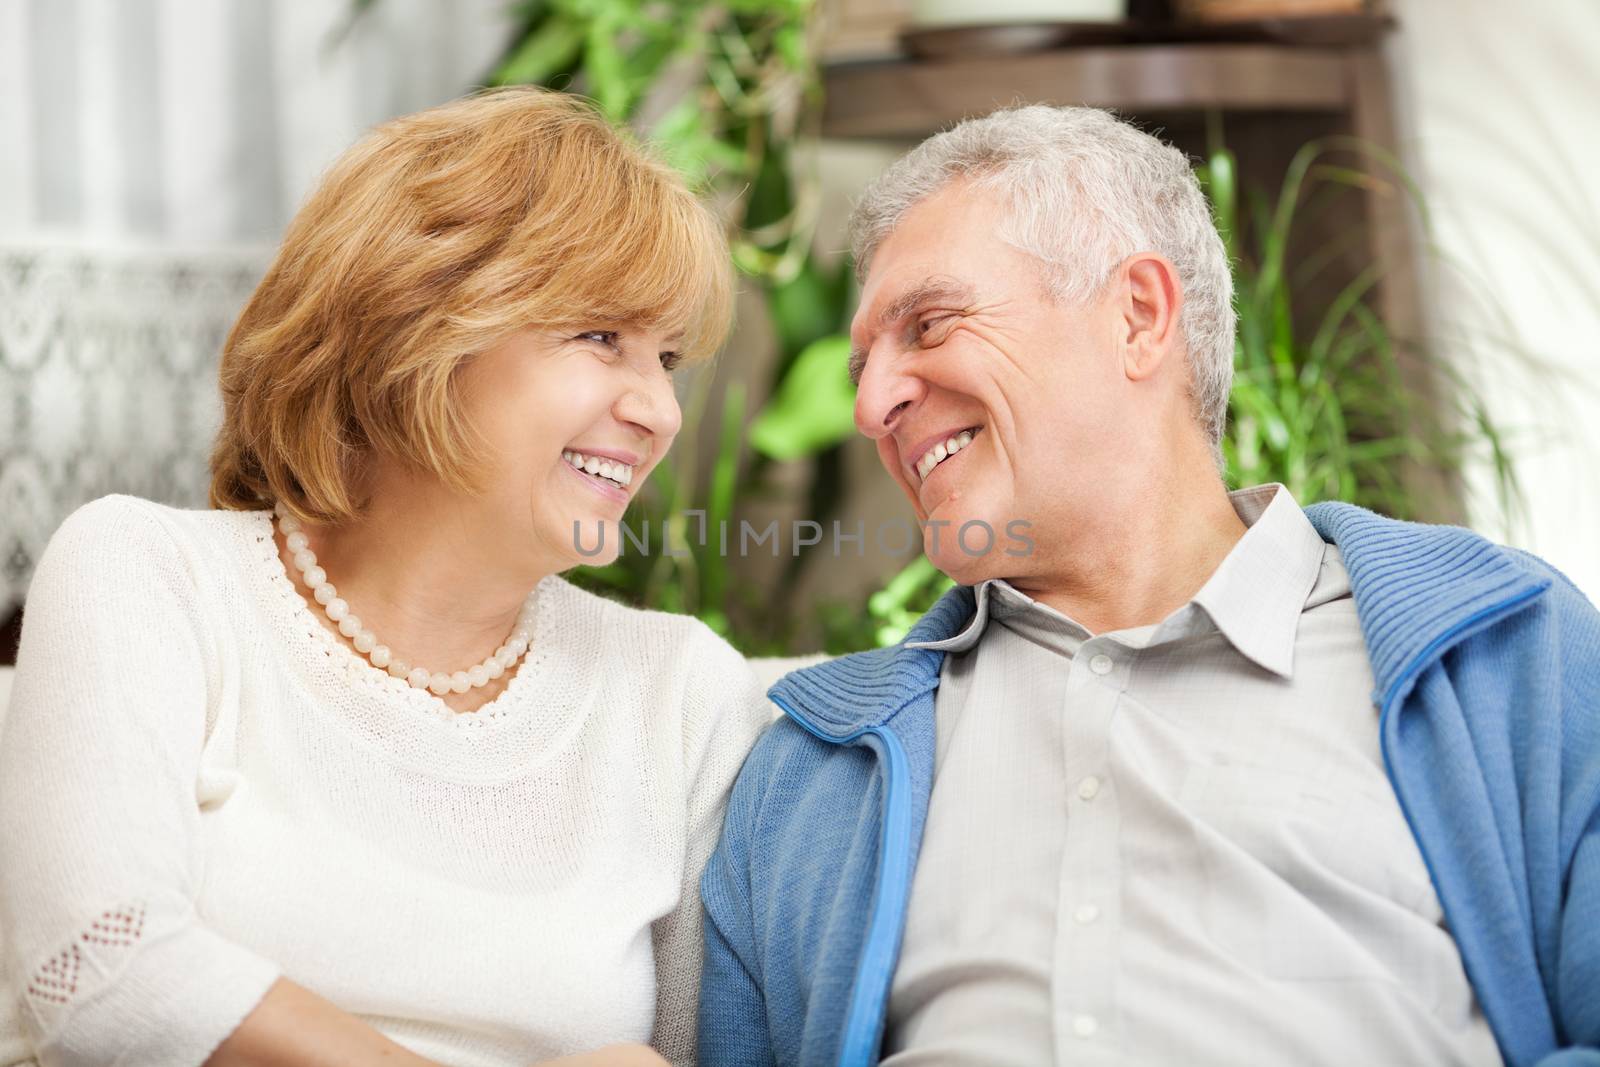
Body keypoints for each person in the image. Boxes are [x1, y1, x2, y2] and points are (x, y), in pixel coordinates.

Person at [697, 104, 1600, 1067]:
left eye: (929, 324)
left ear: (1137, 317)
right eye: (863, 365)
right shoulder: (807, 775)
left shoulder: (1510, 652)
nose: (873, 407)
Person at [0, 87, 771, 1067]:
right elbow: (96, 972)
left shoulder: (682, 691)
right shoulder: (151, 574)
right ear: (411, 327)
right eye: (599, 337)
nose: (659, 410)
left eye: (666, 358)